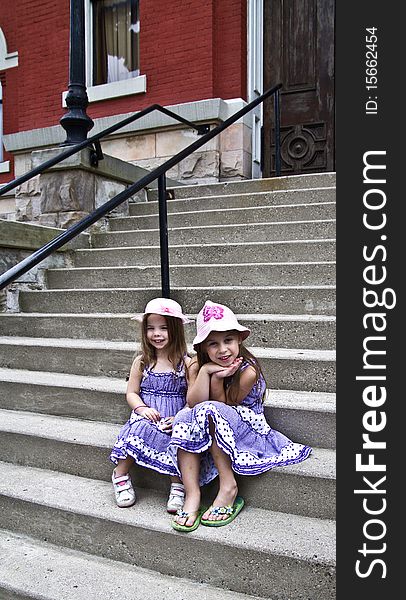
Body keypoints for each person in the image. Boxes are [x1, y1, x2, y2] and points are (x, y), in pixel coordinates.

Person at [168, 300, 312, 532]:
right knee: (185, 415)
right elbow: (194, 403)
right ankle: (192, 494)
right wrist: (206, 371)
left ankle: (228, 487)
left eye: (228, 341)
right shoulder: (198, 365)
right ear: (203, 348)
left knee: (210, 411)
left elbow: (222, 404)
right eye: (213, 344)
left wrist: (217, 379)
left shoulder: (248, 371)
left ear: (239, 340)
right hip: (213, 416)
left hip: (246, 425)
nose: (223, 350)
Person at [109, 297, 192, 513]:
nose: (157, 334)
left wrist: (180, 417)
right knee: (138, 429)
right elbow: (132, 392)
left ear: (176, 330)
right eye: (151, 328)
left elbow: (193, 398)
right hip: (148, 416)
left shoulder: (186, 363)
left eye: (164, 328)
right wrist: (142, 409)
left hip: (174, 418)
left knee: (178, 439)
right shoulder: (142, 362)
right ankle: (120, 475)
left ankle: (178, 485)